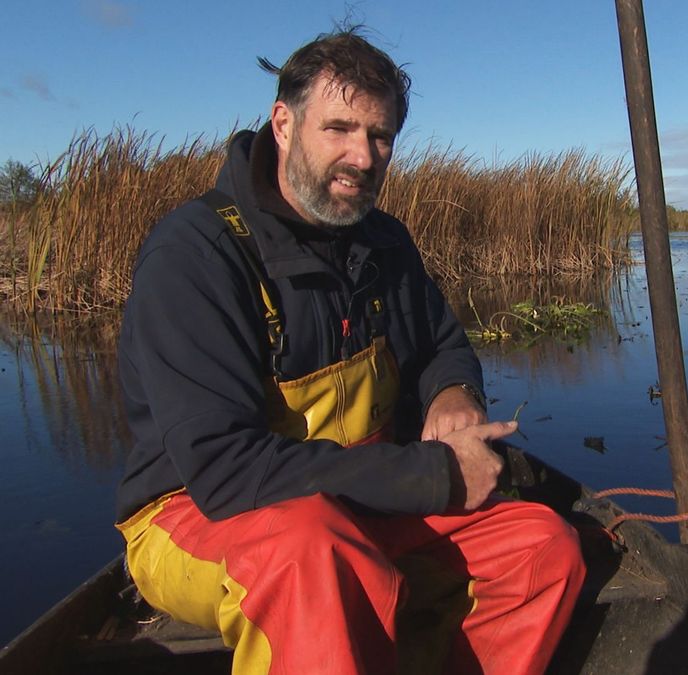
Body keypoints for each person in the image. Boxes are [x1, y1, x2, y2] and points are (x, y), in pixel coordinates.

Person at [115, 27, 585, 675]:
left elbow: (441, 344)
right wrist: (433, 475)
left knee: (543, 547)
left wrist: (453, 391)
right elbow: (223, 470)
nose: (362, 157)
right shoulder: (195, 255)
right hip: (197, 513)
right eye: (338, 128)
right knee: (310, 555)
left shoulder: (384, 240)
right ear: (284, 124)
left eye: (380, 136)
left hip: (358, 499)